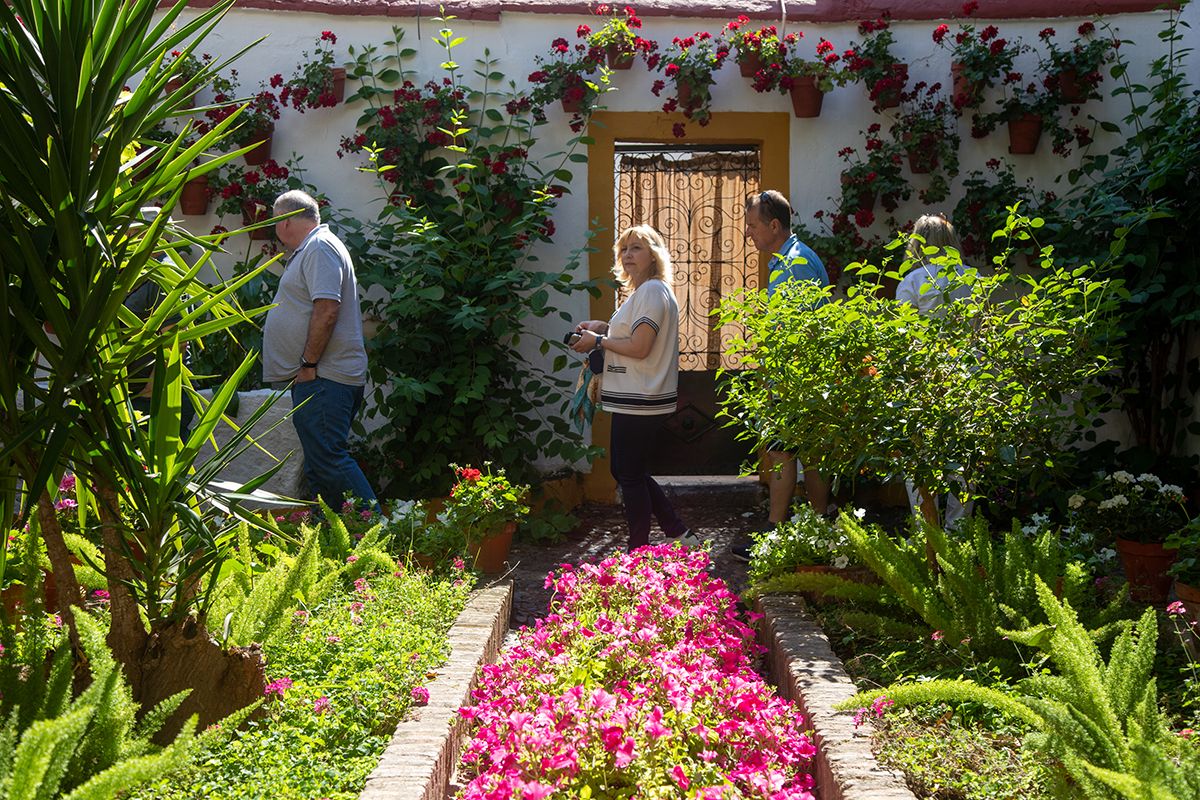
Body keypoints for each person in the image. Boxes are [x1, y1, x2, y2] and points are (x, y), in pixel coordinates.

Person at [570, 224, 696, 552]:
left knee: (628, 473)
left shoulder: (653, 291)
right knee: (628, 469)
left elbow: (641, 347)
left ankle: (638, 550)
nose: (628, 255)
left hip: (640, 396)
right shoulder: (645, 292)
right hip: (638, 394)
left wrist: (597, 340)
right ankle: (676, 531)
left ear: (654, 256)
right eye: (624, 249)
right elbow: (630, 335)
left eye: (637, 248)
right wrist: (605, 328)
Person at [262, 189, 379, 513]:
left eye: (275, 223)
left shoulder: (318, 247)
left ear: (285, 222)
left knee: (328, 458)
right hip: (318, 377)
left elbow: (327, 309)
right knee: (319, 465)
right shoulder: (313, 249)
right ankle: (331, 542)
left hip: (324, 376)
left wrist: (309, 364)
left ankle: (381, 535)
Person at [737, 190, 833, 561]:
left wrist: (777, 378)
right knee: (809, 453)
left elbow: (800, 329)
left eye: (753, 225)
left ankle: (776, 536)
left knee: (782, 452)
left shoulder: (795, 263)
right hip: (798, 375)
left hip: (796, 377)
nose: (749, 233)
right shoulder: (791, 259)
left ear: (774, 225)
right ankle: (817, 531)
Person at [896, 213, 973, 527]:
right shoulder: (973, 279)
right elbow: (979, 330)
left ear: (917, 244)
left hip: (924, 378)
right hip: (968, 375)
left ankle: (926, 532)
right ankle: (959, 532)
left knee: (920, 460)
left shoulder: (912, 282)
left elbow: (902, 335)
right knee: (965, 459)